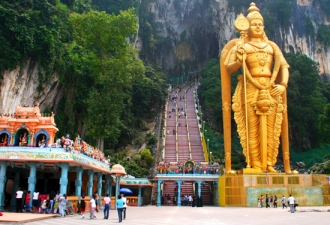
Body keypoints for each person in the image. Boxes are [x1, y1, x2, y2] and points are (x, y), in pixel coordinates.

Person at [221, 2, 296, 174]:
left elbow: (283, 67)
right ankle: (255, 163)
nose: (258, 27)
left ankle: (269, 162)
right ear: (247, 27)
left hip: (270, 88)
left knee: (271, 127)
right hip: (250, 87)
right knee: (251, 127)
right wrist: (240, 59)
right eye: (254, 24)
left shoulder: (272, 47)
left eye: (260, 24)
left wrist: (283, 84)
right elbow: (228, 68)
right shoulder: (242, 46)